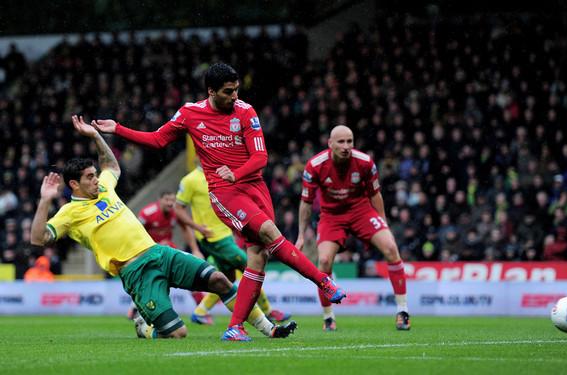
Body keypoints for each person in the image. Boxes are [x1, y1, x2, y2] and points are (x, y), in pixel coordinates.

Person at [91, 62, 346, 341]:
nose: (235, 96)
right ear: (211, 91)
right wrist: (117, 129)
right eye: (228, 91)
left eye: (236, 90)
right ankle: (323, 282)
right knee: (270, 234)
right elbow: (157, 140)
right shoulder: (190, 113)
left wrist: (236, 172)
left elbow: (260, 158)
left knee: (258, 258)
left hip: (254, 187)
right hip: (225, 192)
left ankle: (234, 327)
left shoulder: (246, 111)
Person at [31, 115, 296, 340]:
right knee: (177, 333)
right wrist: (45, 201)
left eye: (95, 175)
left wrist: (95, 135)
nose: (96, 180)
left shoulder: (105, 188)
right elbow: (39, 238)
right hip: (135, 272)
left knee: (219, 279)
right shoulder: (69, 213)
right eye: (89, 177)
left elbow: (110, 165)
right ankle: (145, 327)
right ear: (74, 185)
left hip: (159, 253)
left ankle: (269, 329)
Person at [295, 125, 411, 331]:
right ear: (330, 144)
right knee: (323, 261)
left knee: (391, 249)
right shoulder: (315, 166)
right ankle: (328, 317)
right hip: (331, 216)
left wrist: (383, 222)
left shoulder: (365, 163)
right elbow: (306, 203)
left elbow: (375, 195)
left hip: (361, 211)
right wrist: (301, 235)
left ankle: (403, 311)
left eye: (350, 141)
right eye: (341, 142)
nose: (346, 146)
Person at [175, 162, 291, 325]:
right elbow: (178, 208)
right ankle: (269, 312)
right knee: (251, 267)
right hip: (214, 238)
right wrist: (197, 227)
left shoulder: (219, 174)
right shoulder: (190, 180)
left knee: (227, 277)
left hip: (226, 234)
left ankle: (200, 312)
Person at [125, 191, 211, 320]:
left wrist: (195, 249)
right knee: (151, 280)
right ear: (159, 200)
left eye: (173, 200)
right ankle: (135, 307)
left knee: (189, 270)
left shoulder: (175, 212)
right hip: (148, 251)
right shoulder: (147, 213)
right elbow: (134, 232)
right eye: (167, 200)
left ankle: (201, 310)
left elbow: (186, 228)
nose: (170, 203)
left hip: (167, 250)